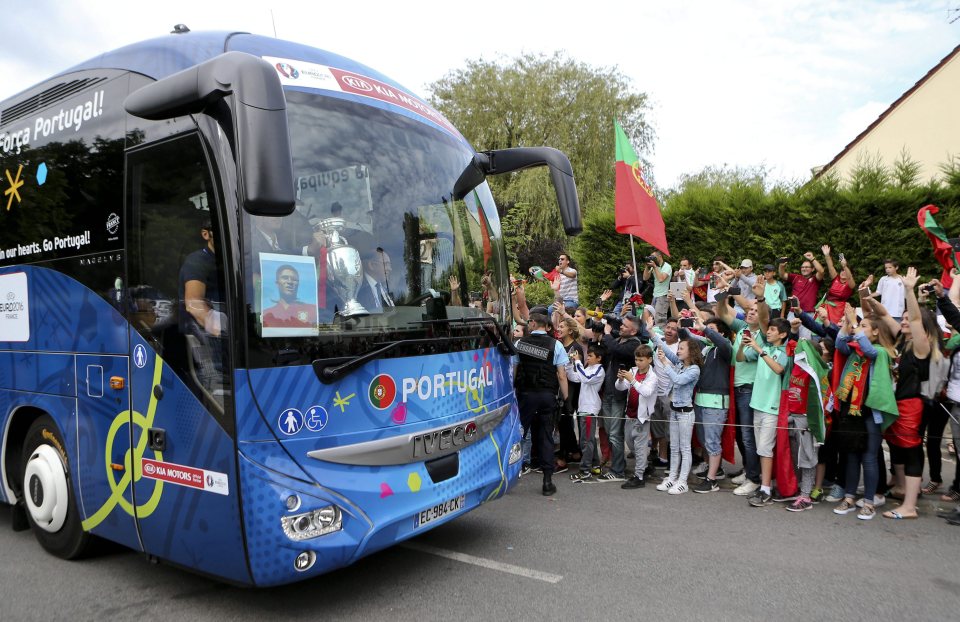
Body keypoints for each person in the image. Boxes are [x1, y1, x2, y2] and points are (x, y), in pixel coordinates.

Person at [832, 308, 898, 521]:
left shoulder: (882, 352)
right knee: (851, 455)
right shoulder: (855, 349)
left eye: (864, 326)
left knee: (869, 457)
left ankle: (869, 502)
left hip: (871, 412)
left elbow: (869, 351)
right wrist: (846, 325)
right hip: (851, 410)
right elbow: (839, 344)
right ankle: (850, 497)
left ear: (876, 332)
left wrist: (853, 322)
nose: (858, 329)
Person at [514, 313, 570, 496]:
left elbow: (514, 370)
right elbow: (561, 375)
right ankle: (547, 481)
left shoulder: (519, 344)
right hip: (547, 395)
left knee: (518, 434)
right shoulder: (557, 345)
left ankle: (510, 474)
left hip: (525, 395)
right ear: (546, 326)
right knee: (546, 436)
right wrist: (565, 397)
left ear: (532, 324)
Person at [745, 317, 791, 507]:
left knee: (765, 449)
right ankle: (765, 485)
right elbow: (742, 357)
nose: (769, 332)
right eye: (769, 329)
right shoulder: (767, 349)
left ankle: (766, 489)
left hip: (772, 407)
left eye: (773, 330)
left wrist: (759, 349)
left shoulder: (782, 352)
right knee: (761, 449)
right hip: (758, 404)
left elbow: (778, 369)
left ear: (783, 334)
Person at [178, 219, 226, 392]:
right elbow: (193, 303)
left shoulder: (230, 261)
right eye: (219, 229)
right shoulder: (197, 261)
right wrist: (224, 329)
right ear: (206, 234)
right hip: (206, 345)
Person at [652, 334, 703, 495]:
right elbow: (666, 350)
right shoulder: (679, 363)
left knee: (684, 448)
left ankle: (682, 481)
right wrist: (652, 333)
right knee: (673, 447)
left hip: (685, 413)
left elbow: (678, 380)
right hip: (674, 410)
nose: (678, 351)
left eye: (682, 348)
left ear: (691, 351)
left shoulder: (694, 369)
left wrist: (665, 363)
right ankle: (672, 478)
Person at [598, 313, 647, 481]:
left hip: (620, 394)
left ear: (633, 332)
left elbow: (614, 349)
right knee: (610, 430)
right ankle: (616, 464)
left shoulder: (634, 344)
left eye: (625, 326)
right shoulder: (618, 339)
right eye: (622, 324)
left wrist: (606, 333)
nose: (621, 327)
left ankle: (618, 470)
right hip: (609, 391)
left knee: (615, 433)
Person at [617, 344, 659, 489]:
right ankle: (645, 466)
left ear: (649, 360)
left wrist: (632, 380)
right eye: (636, 360)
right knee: (630, 443)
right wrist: (621, 379)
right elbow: (620, 388)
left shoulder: (652, 377)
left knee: (640, 447)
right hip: (630, 414)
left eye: (641, 360)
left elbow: (646, 392)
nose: (638, 363)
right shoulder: (633, 371)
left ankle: (639, 476)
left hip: (642, 417)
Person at [566, 344, 606, 483]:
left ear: (599, 358)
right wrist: (570, 364)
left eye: (590, 356)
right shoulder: (588, 368)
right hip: (584, 408)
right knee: (589, 440)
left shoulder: (599, 369)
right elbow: (574, 377)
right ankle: (595, 465)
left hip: (590, 409)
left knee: (586, 441)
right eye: (587, 356)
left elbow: (586, 378)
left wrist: (577, 362)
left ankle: (585, 471)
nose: (587, 358)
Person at [643, 250, 672, 326]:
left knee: (660, 319)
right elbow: (645, 278)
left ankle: (661, 336)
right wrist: (647, 266)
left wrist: (655, 267)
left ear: (660, 256)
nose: (652, 259)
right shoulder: (653, 266)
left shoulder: (667, 266)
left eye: (653, 257)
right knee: (651, 317)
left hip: (663, 295)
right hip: (655, 295)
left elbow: (661, 279)